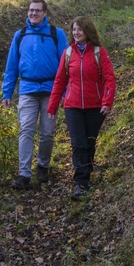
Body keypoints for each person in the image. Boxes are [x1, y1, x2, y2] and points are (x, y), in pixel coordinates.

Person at [2, 0, 69, 189]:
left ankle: (43, 166)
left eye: (38, 11)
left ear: (45, 12)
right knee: (26, 131)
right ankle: (24, 174)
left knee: (47, 133)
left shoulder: (57, 34)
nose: (33, 14)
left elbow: (65, 66)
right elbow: (11, 66)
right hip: (27, 90)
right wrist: (7, 92)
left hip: (51, 91)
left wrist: (64, 92)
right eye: (31, 10)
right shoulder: (20, 35)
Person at [47, 16, 117, 200]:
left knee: (89, 142)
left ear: (88, 32)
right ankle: (81, 183)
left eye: (80, 29)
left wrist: (107, 102)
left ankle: (86, 169)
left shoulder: (99, 52)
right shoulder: (68, 53)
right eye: (74, 29)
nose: (76, 33)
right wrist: (52, 106)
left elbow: (109, 79)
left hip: (95, 106)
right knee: (78, 143)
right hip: (72, 106)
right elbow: (60, 80)